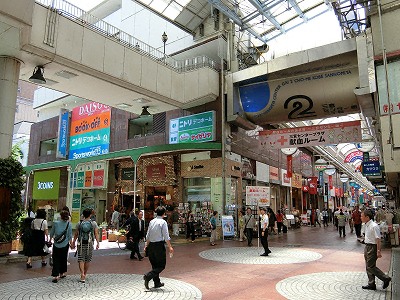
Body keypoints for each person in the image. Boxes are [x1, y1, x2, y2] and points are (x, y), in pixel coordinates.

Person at [143, 206, 174, 290]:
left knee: (154, 265)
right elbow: (166, 236)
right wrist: (170, 247)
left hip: (151, 246)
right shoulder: (163, 222)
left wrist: (146, 245)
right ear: (164, 213)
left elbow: (148, 235)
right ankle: (148, 276)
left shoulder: (152, 221)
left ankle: (157, 282)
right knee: (161, 265)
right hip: (159, 246)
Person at [360, 209, 391, 290]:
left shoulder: (374, 226)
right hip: (367, 246)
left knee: (371, 266)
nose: (361, 217)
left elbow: (378, 239)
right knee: (368, 266)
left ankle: (385, 278)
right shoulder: (366, 225)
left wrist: (378, 251)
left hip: (372, 247)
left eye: (362, 216)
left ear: (367, 217)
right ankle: (371, 284)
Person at [71, 208, 100, 283]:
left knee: (81, 259)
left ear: (83, 215)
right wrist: (98, 242)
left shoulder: (79, 223)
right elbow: (96, 233)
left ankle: (82, 274)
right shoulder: (93, 223)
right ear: (90, 215)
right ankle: (85, 274)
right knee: (87, 259)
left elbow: (76, 234)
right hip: (89, 243)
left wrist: (73, 242)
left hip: (80, 243)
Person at [49, 210, 73, 283]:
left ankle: (55, 276)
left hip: (56, 244)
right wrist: (71, 243)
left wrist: (50, 240)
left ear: (61, 216)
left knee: (56, 259)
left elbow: (52, 233)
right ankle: (62, 273)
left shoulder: (55, 223)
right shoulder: (69, 224)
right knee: (63, 259)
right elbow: (69, 236)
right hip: (65, 244)